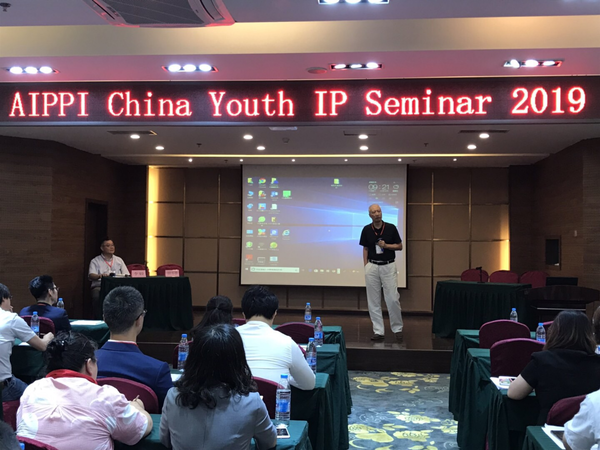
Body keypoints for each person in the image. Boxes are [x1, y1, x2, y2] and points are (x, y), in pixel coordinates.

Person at [16, 331, 152, 450]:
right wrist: (137, 407)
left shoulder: (31, 390)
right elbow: (140, 428)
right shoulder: (106, 397)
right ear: (89, 364)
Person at [160, 324, 277, 450]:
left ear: (193, 359)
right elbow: (268, 443)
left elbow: (165, 440)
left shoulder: (173, 396)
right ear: (238, 361)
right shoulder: (252, 402)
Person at [507, 310, 600, 424]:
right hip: (589, 429)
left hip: (549, 428)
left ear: (555, 332)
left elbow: (514, 393)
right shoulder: (597, 362)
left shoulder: (542, 360)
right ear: (589, 334)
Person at [96, 286, 173, 407]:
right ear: (139, 320)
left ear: (104, 319)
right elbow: (169, 411)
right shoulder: (157, 370)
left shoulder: (86, 364)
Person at [236, 286, 315, 390]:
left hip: (235, 399)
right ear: (274, 314)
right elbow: (309, 384)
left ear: (243, 315)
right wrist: (287, 377)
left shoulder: (228, 339)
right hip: (274, 400)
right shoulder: (287, 342)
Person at [0, 283, 54, 402]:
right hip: (4, 387)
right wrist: (48, 337)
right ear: (4, 298)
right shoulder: (11, 319)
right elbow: (42, 346)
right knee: (39, 399)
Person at [359, 203, 404, 341]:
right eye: (374, 212)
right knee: (373, 301)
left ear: (381, 213)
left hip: (388, 265)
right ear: (370, 215)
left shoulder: (391, 228)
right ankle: (378, 331)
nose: (377, 214)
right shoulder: (367, 229)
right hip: (372, 266)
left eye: (378, 211)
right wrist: (366, 266)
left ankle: (397, 329)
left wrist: (386, 246)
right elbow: (365, 248)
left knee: (393, 299)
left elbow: (400, 246)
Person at [88, 238, 129, 319]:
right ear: (102, 248)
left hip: (116, 286)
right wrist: (100, 276)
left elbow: (127, 274)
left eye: (112, 245)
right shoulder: (95, 261)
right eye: (108, 245)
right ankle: (99, 317)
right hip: (100, 286)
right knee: (96, 296)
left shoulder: (119, 260)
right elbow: (91, 275)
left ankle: (120, 318)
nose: (111, 247)